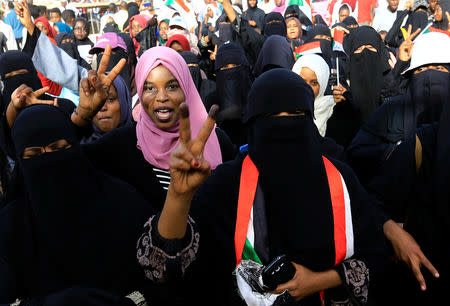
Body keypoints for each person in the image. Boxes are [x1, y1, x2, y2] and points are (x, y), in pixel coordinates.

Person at [164, 67, 386, 305]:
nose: (285, 126)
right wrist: (178, 196)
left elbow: (377, 253)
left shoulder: (340, 178)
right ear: (252, 124)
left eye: (296, 113)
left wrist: (321, 280)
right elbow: (172, 264)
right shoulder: (226, 184)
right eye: (271, 116)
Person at [0, 101, 200, 304]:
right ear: (20, 160)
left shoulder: (121, 201)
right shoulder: (11, 225)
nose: (48, 161)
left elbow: (166, 272)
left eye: (59, 148)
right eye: (34, 154)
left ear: (76, 148)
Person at [346, 32, 450, 186]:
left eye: (439, 69)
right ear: (412, 77)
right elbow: (357, 151)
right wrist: (399, 151)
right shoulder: (393, 110)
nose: (429, 76)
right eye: (420, 70)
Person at [292, 53, 359, 148]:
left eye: (314, 83)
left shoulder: (331, 107)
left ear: (322, 83)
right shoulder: (286, 108)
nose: (307, 87)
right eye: (302, 81)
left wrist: (345, 106)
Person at [204, 42, 253, 147]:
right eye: (225, 67)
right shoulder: (211, 101)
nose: (231, 70)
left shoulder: (257, 96)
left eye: (235, 65)